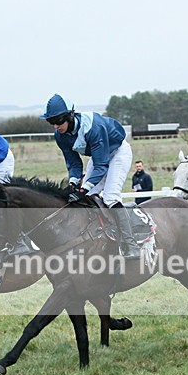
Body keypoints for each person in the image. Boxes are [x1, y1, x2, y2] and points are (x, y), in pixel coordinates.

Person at [40, 93, 139, 259]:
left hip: (118, 153)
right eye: (52, 122)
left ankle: (131, 245)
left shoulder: (93, 128)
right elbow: (74, 163)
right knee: (89, 197)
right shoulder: (60, 136)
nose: (56, 126)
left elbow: (101, 166)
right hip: (98, 155)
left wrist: (83, 188)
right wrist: (73, 183)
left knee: (110, 197)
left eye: (59, 121)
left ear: (70, 116)